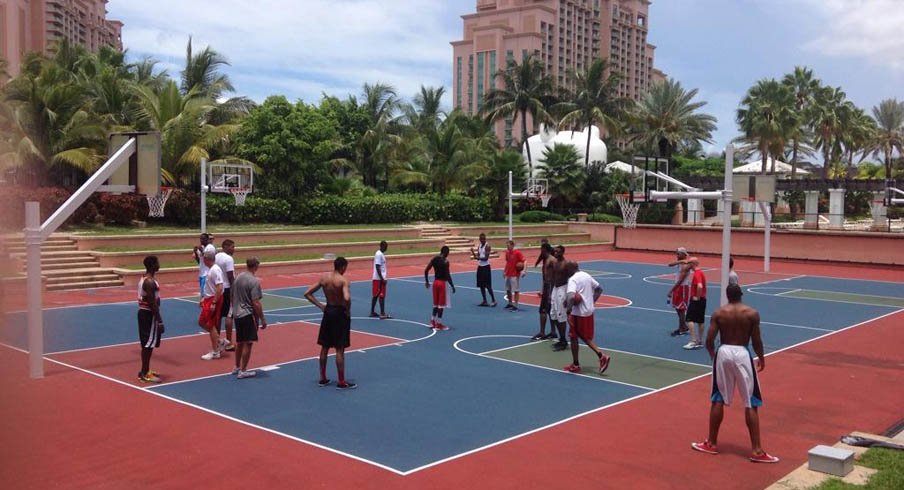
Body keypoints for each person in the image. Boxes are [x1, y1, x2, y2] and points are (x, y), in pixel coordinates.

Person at [692, 284, 778, 463]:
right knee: (750, 401)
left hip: (723, 351)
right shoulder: (751, 313)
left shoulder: (719, 313)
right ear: (741, 294)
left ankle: (711, 443)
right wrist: (761, 358)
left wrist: (712, 355)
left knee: (718, 398)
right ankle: (757, 450)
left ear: (727, 295)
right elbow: (756, 339)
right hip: (742, 352)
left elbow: (709, 340)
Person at [305, 256, 356, 390]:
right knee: (339, 348)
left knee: (325, 346)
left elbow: (308, 293)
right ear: (343, 267)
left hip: (328, 311)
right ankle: (341, 381)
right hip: (339, 313)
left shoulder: (324, 279)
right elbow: (347, 297)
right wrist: (347, 309)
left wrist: (321, 306)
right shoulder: (343, 280)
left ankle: (322, 378)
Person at [562, 261, 611, 374]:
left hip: (578, 313)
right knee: (576, 336)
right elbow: (599, 289)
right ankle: (575, 364)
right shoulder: (586, 275)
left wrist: (568, 310)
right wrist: (591, 302)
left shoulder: (573, 279)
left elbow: (570, 297)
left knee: (579, 336)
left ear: (570, 269)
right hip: (588, 311)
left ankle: (601, 355)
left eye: (566, 270)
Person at [230, 257, 267, 379]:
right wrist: (262, 318)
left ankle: (236, 366)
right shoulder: (254, 281)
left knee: (240, 341)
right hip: (247, 313)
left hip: (237, 313)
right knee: (248, 342)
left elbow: (232, 294)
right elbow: (256, 302)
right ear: (256, 266)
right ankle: (243, 370)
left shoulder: (238, 277)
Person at [137, 255, 164, 383]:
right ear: (152, 265)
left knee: (148, 343)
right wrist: (159, 320)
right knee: (148, 344)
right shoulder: (149, 282)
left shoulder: (147, 279)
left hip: (145, 313)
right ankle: (145, 372)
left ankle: (145, 369)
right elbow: (152, 302)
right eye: (157, 262)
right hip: (149, 314)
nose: (159, 264)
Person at [198, 249, 226, 360]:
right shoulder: (211, 269)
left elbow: (219, 287)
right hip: (209, 298)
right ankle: (220, 342)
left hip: (213, 299)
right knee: (202, 322)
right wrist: (204, 298)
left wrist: (214, 302)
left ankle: (215, 351)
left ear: (206, 259)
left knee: (210, 324)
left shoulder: (215, 270)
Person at [425, 246, 456, 330]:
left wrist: (427, 281)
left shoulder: (434, 259)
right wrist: (452, 285)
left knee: (435, 304)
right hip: (442, 283)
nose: (448, 254)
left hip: (435, 283)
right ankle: (439, 324)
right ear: (445, 252)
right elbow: (447, 275)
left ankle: (432, 321)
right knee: (441, 305)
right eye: (448, 253)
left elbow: (426, 270)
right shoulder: (445, 262)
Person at [531, 242, 555, 341]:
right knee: (548, 310)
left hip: (550, 286)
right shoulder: (546, 260)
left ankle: (544, 332)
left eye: (541, 249)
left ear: (545, 250)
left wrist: (552, 290)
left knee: (545, 310)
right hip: (547, 286)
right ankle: (551, 331)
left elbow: (555, 275)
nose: (541, 251)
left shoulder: (552, 260)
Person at [215, 239, 237, 351]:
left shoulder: (217, 256)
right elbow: (230, 276)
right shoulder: (229, 259)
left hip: (218, 289)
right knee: (229, 316)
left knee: (218, 316)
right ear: (226, 246)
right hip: (228, 289)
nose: (234, 249)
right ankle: (228, 343)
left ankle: (217, 341)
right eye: (232, 247)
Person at [548, 245, 570, 350]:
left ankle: (564, 340)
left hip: (563, 289)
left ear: (562, 253)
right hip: (555, 289)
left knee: (561, 316)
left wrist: (568, 296)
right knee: (554, 314)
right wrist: (550, 293)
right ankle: (561, 338)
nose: (555, 253)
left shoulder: (565, 264)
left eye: (557, 252)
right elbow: (553, 278)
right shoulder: (555, 263)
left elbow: (570, 280)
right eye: (555, 252)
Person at [684, 258, 707, 350]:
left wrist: (697, 297)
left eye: (689, 263)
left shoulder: (697, 274)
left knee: (689, 319)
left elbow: (700, 286)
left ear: (692, 264)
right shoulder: (701, 272)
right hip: (703, 299)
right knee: (700, 321)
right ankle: (700, 341)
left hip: (697, 300)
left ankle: (693, 341)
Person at [667, 247, 691, 337]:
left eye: (678, 254)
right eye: (676, 253)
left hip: (682, 288)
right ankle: (683, 326)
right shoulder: (681, 263)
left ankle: (682, 329)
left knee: (681, 309)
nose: (676, 255)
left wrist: (671, 290)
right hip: (679, 288)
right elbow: (669, 264)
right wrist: (680, 261)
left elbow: (681, 280)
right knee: (678, 308)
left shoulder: (686, 265)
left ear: (683, 254)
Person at [470, 233, 497, 307]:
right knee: (481, 285)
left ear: (485, 239)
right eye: (481, 239)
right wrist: (473, 253)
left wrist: (478, 258)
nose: (482, 240)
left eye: (483, 239)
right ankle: (484, 300)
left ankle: (494, 300)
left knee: (488, 285)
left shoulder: (487, 246)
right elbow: (477, 256)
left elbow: (486, 258)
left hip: (486, 267)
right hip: (480, 267)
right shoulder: (479, 246)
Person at [370, 241, 391, 319]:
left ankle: (372, 312)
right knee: (381, 296)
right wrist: (382, 279)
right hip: (379, 279)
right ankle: (382, 313)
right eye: (385, 246)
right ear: (382, 246)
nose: (386, 248)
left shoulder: (380, 254)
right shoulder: (379, 254)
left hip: (378, 279)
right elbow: (377, 266)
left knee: (376, 295)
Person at [503, 240, 526, 311]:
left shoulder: (517, 253)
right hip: (508, 273)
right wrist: (504, 271)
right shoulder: (507, 253)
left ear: (512, 245)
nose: (507, 247)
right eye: (507, 246)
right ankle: (510, 303)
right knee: (508, 289)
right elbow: (507, 262)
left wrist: (524, 270)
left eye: (508, 246)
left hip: (514, 274)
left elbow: (524, 261)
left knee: (516, 290)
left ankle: (515, 305)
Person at [192, 233, 216, 297]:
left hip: (207, 273)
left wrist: (202, 251)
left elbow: (209, 259)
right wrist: (196, 253)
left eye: (203, 239)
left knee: (205, 294)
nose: (201, 240)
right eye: (201, 239)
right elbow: (199, 261)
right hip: (201, 273)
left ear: (207, 239)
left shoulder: (210, 248)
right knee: (203, 293)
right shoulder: (201, 247)